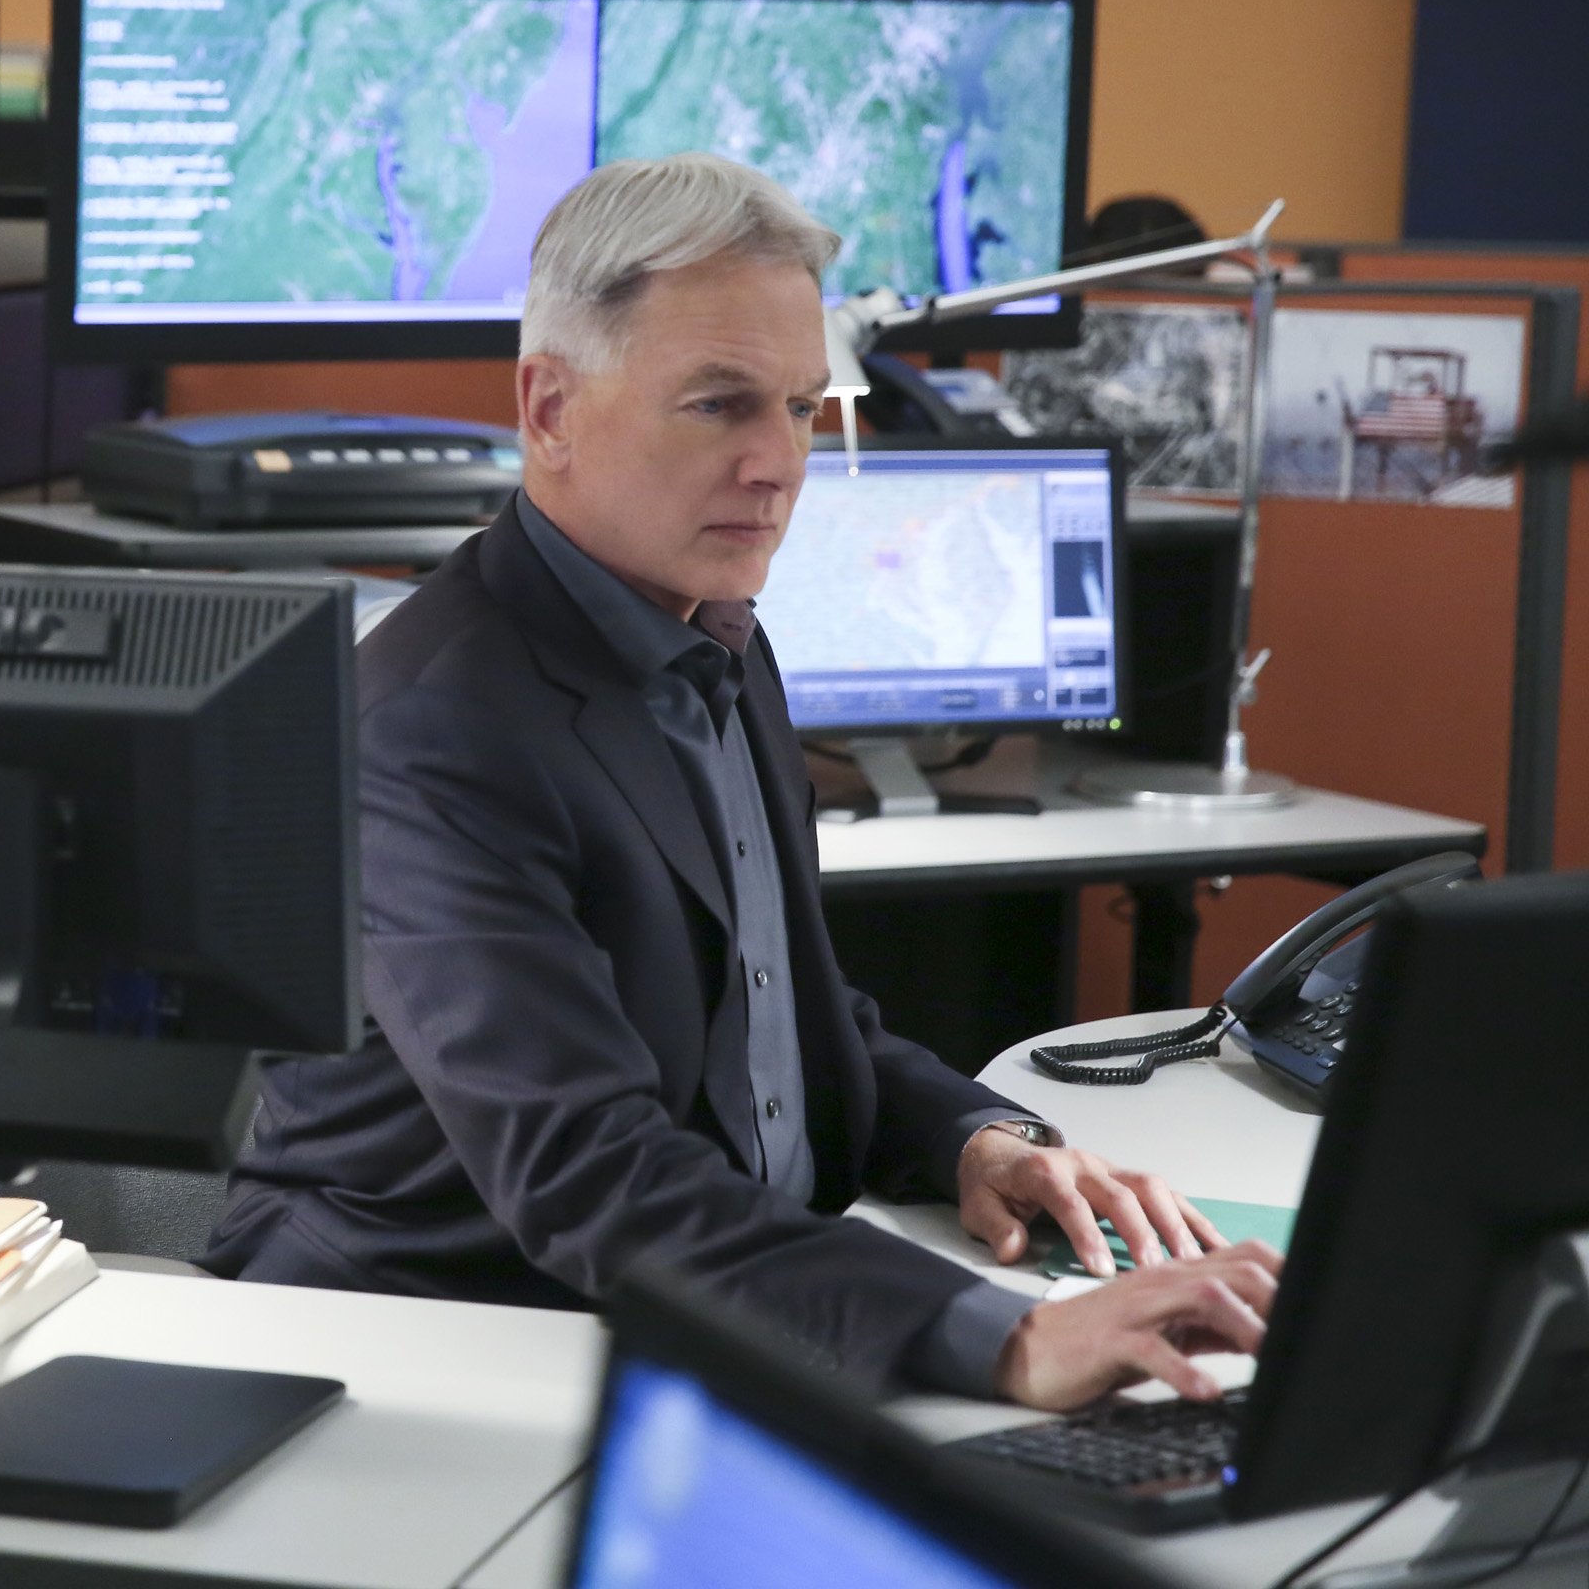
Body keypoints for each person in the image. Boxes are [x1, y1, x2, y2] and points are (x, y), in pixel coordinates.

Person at [204, 154, 1279, 1410]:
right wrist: (1006, 1340)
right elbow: (587, 1175)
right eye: (718, 405)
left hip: (689, 1314)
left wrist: (970, 1136)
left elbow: (780, 1004)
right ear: (547, 409)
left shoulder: (713, 634)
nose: (778, 464)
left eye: (801, 404)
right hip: (435, 1356)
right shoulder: (430, 731)